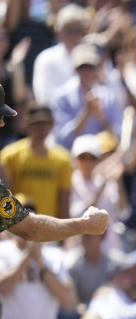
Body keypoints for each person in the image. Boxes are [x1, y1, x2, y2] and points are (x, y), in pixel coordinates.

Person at [0, 87, 109, 243]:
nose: (2, 123)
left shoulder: (62, 159)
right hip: (19, 238)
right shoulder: (10, 155)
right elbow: (29, 228)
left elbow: (60, 203)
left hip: (45, 233)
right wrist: (85, 224)